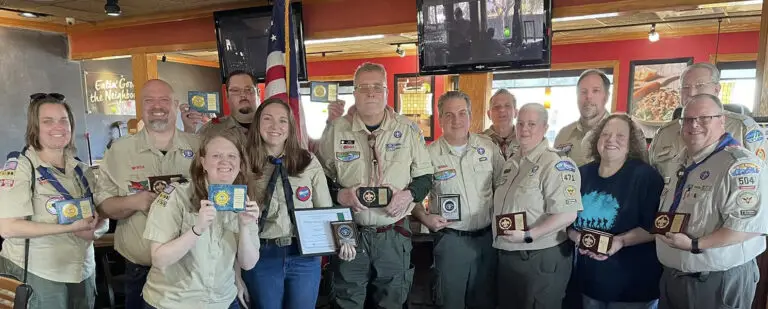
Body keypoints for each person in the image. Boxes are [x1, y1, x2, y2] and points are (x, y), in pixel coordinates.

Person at [317, 62, 434, 309]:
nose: (371, 93)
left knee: (391, 301)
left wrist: (408, 196)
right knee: (346, 300)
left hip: (392, 235)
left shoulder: (408, 130)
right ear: (355, 93)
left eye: (377, 87)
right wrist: (341, 194)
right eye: (364, 87)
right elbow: (320, 181)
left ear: (386, 92)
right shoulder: (336, 131)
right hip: (349, 234)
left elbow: (425, 177)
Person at [240, 98, 356, 309]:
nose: (275, 126)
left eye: (282, 120)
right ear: (257, 124)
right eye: (267, 119)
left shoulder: (308, 161)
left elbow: (325, 209)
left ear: (291, 127)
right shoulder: (243, 162)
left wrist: (342, 240)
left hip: (304, 254)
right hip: (261, 253)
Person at [95, 79, 201, 309]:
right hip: (139, 269)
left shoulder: (200, 146)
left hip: (192, 268)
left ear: (176, 105)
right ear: (139, 107)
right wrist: (133, 202)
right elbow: (102, 206)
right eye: (149, 100)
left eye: (164, 100)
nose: (157, 106)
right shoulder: (119, 150)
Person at [655, 94, 767, 309]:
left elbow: (749, 228)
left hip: (716, 281)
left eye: (704, 118)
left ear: (722, 120)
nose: (694, 124)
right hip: (674, 278)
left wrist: (695, 245)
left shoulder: (741, 165)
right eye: (687, 119)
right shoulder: (681, 161)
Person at [0, 93, 108, 309]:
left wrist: (96, 229)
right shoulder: (21, 167)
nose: (58, 127)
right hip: (38, 274)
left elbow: (100, 214)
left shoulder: (82, 171)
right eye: (47, 121)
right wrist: (68, 227)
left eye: (63, 120)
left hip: (83, 271)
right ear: (35, 128)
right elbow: (8, 227)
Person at [141, 128, 260, 309]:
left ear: (241, 163)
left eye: (232, 156)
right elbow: (159, 259)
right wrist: (197, 229)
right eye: (216, 156)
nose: (225, 162)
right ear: (203, 162)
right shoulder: (176, 195)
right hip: (173, 303)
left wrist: (244, 227)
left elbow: (248, 263)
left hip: (222, 301)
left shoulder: (244, 200)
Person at [413, 91, 503, 309]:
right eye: (449, 114)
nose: (456, 120)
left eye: (462, 113)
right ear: (440, 118)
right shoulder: (429, 154)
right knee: (450, 301)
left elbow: (503, 187)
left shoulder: (488, 147)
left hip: (487, 239)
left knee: (484, 300)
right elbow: (413, 197)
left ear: (470, 116)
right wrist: (425, 218)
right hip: (451, 241)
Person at [567, 114, 663, 309]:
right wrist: (578, 238)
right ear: (597, 140)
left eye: (620, 136)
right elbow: (567, 222)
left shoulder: (646, 176)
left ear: (631, 144)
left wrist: (620, 241)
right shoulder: (582, 174)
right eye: (605, 134)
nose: (611, 139)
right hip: (588, 282)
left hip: (632, 287)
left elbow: (654, 227)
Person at [493, 103, 581, 309]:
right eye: (521, 123)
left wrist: (528, 235)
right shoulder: (512, 163)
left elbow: (568, 214)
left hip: (539, 256)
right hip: (509, 254)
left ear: (544, 127)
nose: (524, 129)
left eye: (532, 124)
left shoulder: (555, 163)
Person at [649, 63, 766, 181]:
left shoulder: (744, 130)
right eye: (685, 87)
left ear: (717, 89)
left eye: (700, 85)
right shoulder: (664, 134)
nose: (691, 93)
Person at [555, 69, 611, 166]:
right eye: (583, 91)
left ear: (606, 97)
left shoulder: (623, 134)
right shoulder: (563, 134)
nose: (588, 96)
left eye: (595, 91)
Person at [191, 71, 261, 136]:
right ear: (227, 96)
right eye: (235, 90)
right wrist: (189, 129)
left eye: (248, 89)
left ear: (258, 93)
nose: (243, 94)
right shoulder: (210, 130)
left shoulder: (270, 126)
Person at [483, 89, 519, 159]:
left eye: (507, 105)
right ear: (489, 114)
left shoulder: (527, 140)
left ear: (516, 113)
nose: (502, 110)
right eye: (496, 106)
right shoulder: (477, 141)